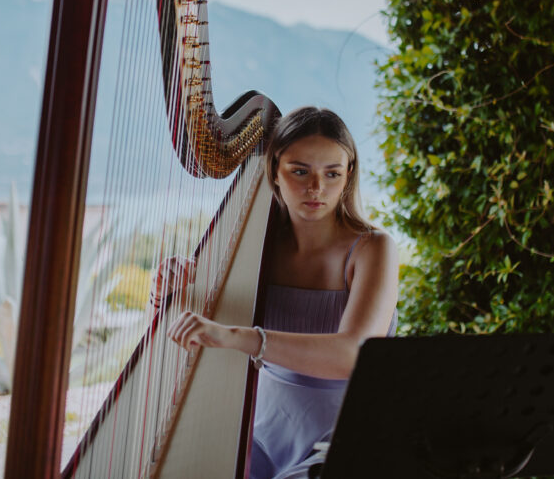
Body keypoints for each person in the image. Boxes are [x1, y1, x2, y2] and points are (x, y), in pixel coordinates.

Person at [162, 106, 399, 479]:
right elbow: (181, 344)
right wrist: (166, 296)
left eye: (332, 174)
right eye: (300, 171)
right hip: (266, 429)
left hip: (350, 429)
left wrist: (243, 338)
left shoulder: (373, 248)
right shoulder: (253, 248)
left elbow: (353, 355)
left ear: (348, 175)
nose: (316, 188)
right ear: (274, 170)